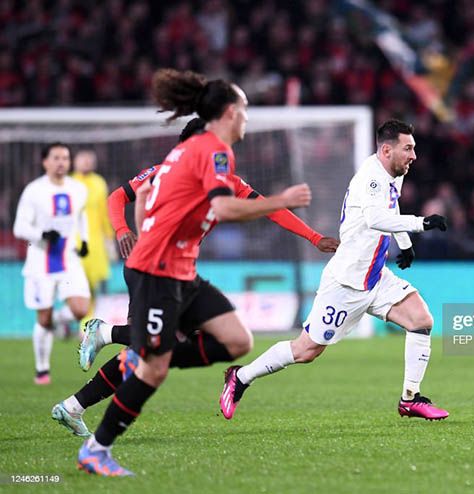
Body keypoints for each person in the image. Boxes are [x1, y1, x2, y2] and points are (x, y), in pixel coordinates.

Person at [76, 68, 312, 476]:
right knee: (154, 368)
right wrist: (279, 200)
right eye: (245, 110)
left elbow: (155, 200)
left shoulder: (190, 152)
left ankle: (152, 355)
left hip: (181, 269)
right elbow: (222, 208)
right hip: (158, 270)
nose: (248, 119)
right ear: (228, 113)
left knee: (237, 340)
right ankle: (97, 448)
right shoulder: (212, 151)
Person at [52, 117, 338, 438]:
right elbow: (117, 197)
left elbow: (269, 211)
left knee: (153, 350)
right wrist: (122, 230)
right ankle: (103, 339)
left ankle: (76, 404)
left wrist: (314, 238)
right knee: (155, 349)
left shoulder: (225, 180)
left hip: (179, 272)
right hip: (152, 269)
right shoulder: (168, 173)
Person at [219, 119, 450, 422]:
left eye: (414, 149)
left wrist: (404, 243)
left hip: (376, 276)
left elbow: (391, 210)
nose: (413, 155)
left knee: (421, 320)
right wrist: (421, 224)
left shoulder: (394, 172)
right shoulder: (371, 177)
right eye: (408, 148)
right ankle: (242, 377)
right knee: (306, 351)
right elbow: (376, 219)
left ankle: (410, 399)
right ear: (386, 149)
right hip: (346, 283)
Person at [13, 142, 91, 385]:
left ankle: (63, 325)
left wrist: (85, 239)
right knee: (43, 319)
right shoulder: (33, 191)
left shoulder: (78, 188)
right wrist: (41, 235)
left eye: (65, 158)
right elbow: (19, 227)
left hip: (69, 257)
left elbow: (81, 216)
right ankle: (42, 369)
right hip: (40, 261)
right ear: (45, 162)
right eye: (56, 158)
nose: (61, 163)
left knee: (80, 309)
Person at [71, 149, 115, 334]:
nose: (87, 163)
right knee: (77, 285)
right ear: (75, 162)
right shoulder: (69, 183)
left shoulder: (99, 182)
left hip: (96, 241)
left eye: (90, 160)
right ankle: (67, 320)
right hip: (75, 240)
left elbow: (105, 213)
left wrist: (110, 240)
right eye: (83, 160)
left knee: (94, 285)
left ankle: (86, 326)